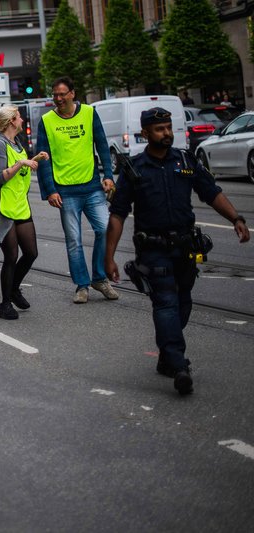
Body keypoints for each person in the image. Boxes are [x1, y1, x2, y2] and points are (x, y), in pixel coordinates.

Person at [105, 107, 250, 395]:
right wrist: (108, 257)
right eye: (159, 129)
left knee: (183, 304)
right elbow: (118, 215)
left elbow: (212, 192)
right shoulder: (134, 169)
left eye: (168, 127)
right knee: (166, 303)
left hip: (185, 248)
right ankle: (178, 364)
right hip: (153, 250)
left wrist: (236, 218)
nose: (167, 133)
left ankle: (166, 356)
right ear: (145, 133)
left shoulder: (185, 160)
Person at [36, 76, 119, 304]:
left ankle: (99, 278)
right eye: (55, 95)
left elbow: (102, 145)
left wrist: (109, 176)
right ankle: (82, 285)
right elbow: (43, 159)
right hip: (65, 192)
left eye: (62, 94)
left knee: (104, 229)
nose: (58, 98)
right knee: (74, 240)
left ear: (73, 93)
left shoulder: (90, 114)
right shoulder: (46, 120)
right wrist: (50, 191)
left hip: (92, 187)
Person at [0, 107, 48, 319]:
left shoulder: (15, 142)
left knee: (31, 253)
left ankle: (14, 288)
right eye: (18, 117)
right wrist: (21, 162)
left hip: (20, 205)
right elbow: (1, 177)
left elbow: (21, 172)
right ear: (11, 121)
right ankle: (5, 304)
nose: (22, 119)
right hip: (3, 208)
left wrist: (34, 158)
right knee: (11, 256)